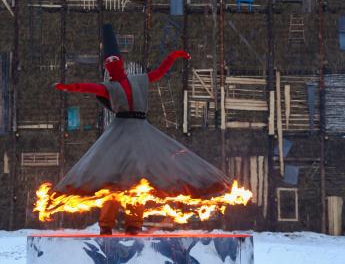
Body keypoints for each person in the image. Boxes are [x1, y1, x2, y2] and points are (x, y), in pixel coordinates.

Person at [54, 24, 230, 235]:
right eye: (109, 64)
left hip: (139, 132)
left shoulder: (138, 80)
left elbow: (159, 73)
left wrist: (173, 56)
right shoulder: (109, 87)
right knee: (114, 181)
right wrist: (69, 87)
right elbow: (87, 87)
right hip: (120, 133)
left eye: (115, 62)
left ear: (122, 63)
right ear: (107, 69)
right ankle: (107, 225)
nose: (113, 66)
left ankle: (133, 225)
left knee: (138, 180)